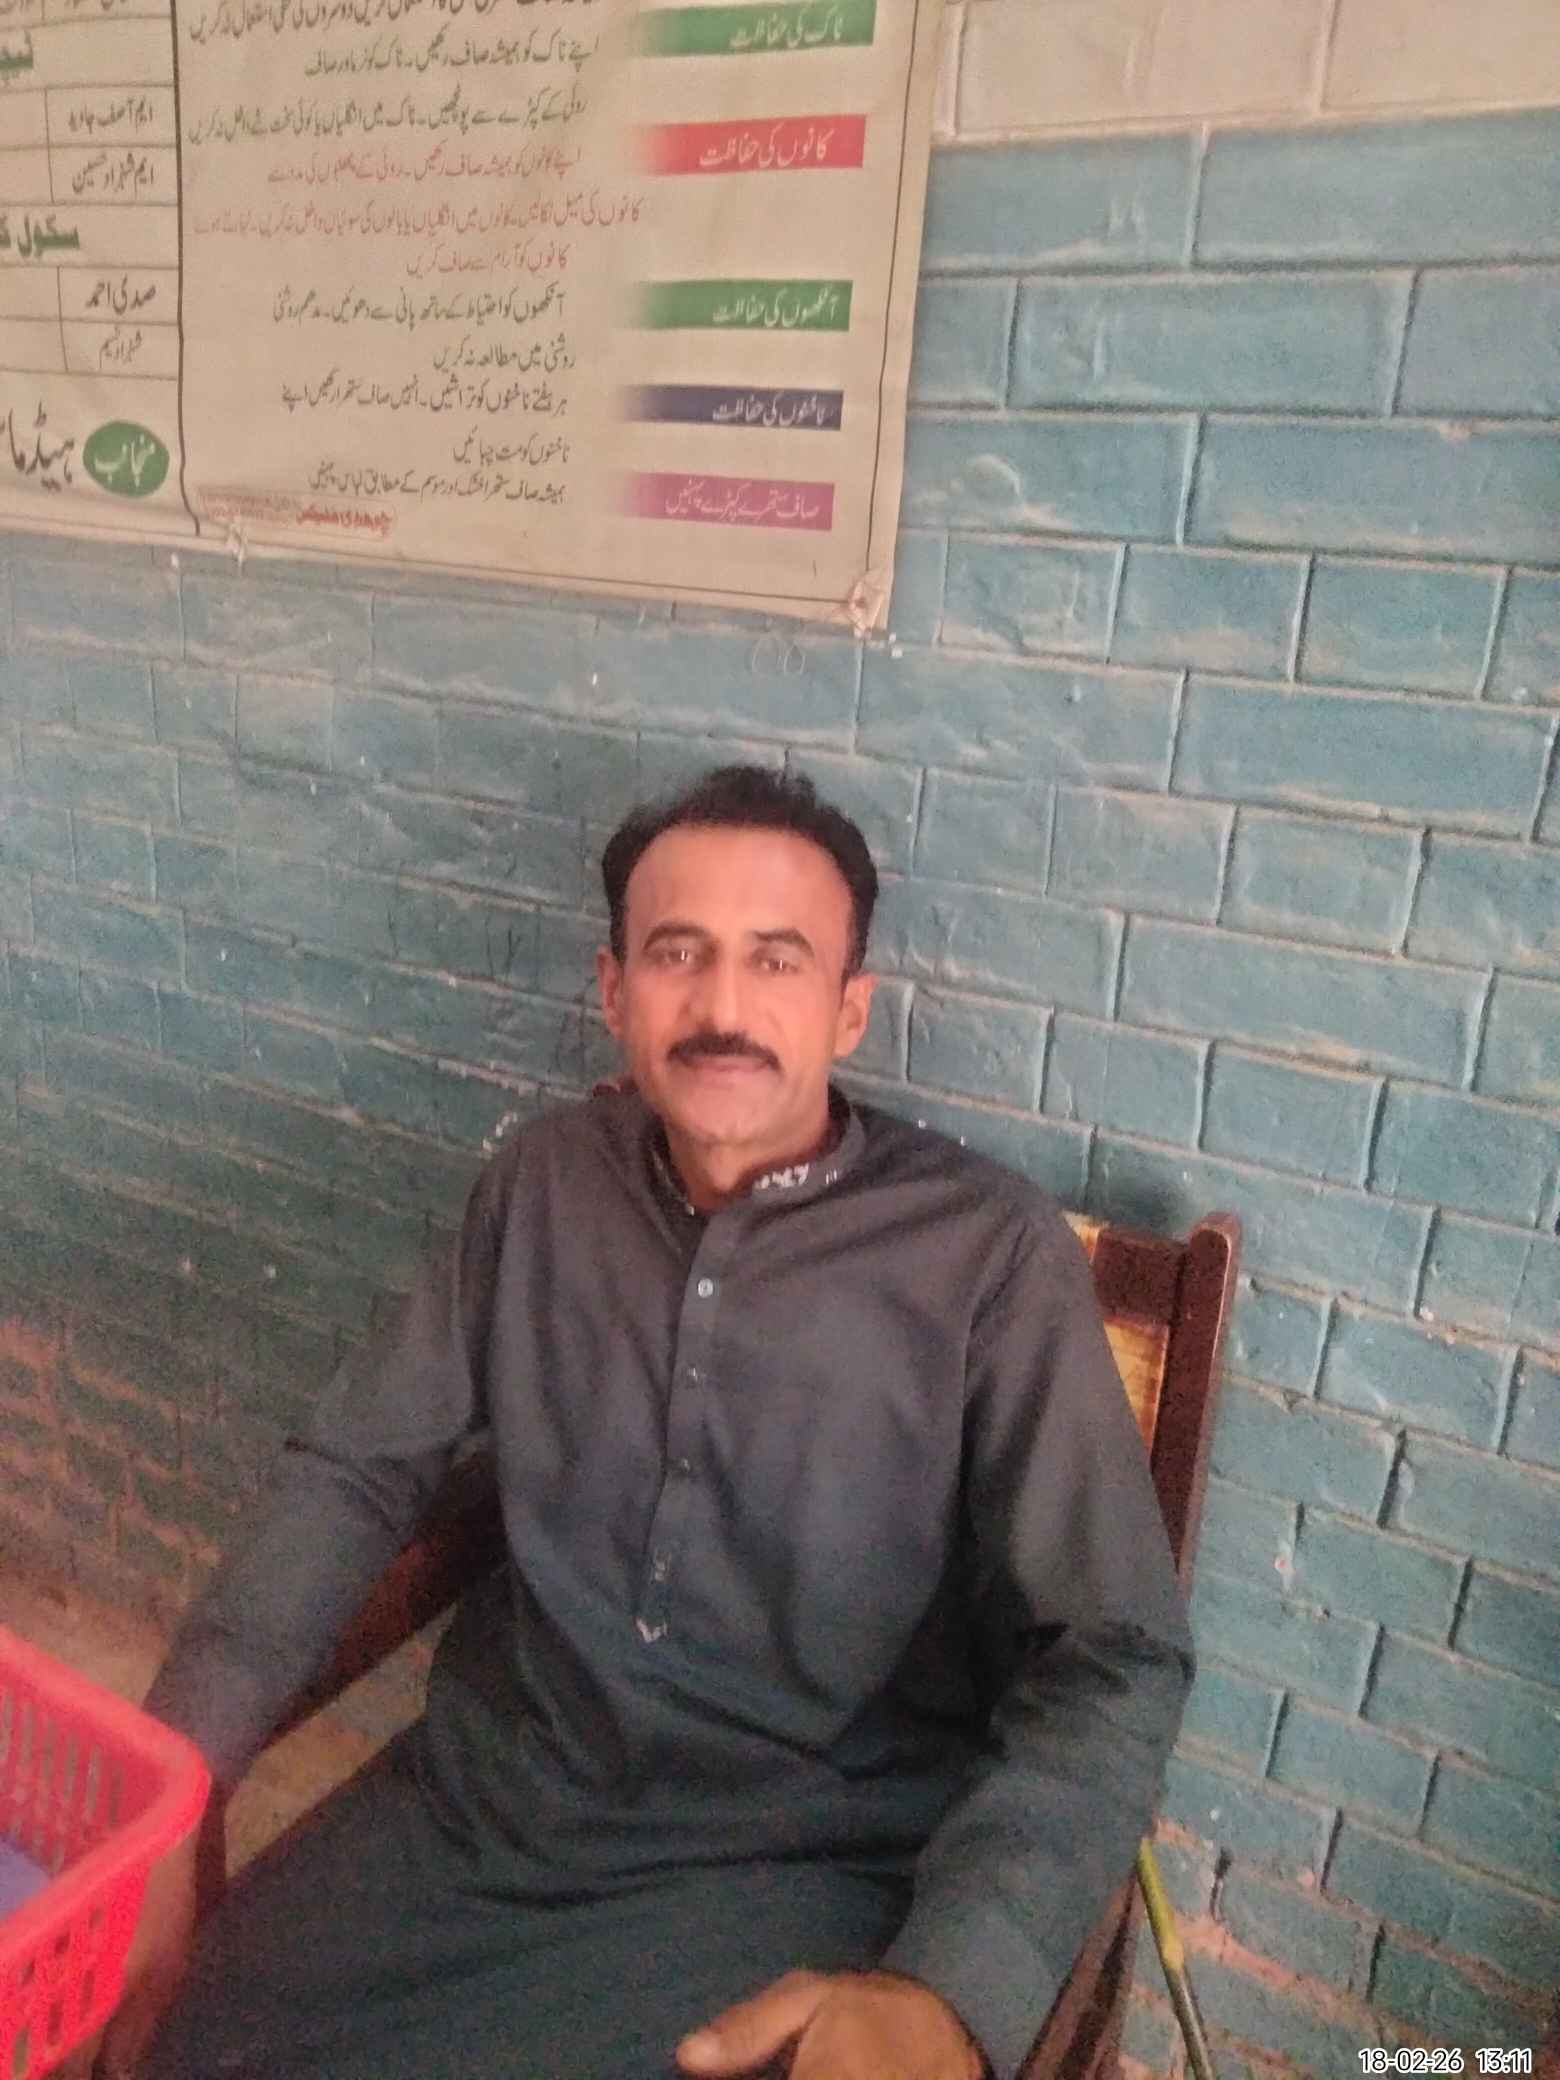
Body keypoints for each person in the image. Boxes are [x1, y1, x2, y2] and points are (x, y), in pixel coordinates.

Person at [109, 765, 1193, 2080]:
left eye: (776, 961)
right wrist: (169, 1778)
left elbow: (1114, 1654)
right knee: (157, 2048)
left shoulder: (988, 1256)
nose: (723, 1009)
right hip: (492, 1803)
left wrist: (952, 1990)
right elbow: (354, 1472)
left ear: (848, 1009)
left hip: (800, 1864)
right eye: (679, 954)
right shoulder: (541, 1184)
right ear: (614, 990)